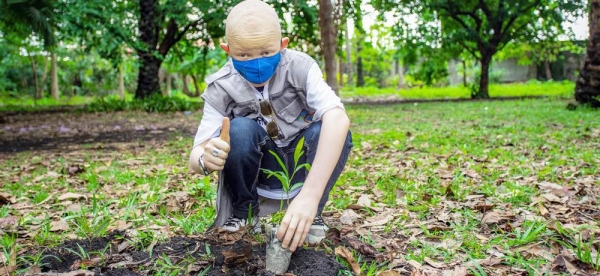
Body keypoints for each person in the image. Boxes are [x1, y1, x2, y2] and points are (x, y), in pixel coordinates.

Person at [188, 0, 352, 252]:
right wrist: (204, 159)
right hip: (259, 168)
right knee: (239, 128)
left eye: (265, 53)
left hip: (301, 164)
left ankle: (312, 214)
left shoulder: (301, 67)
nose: (256, 62)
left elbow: (338, 118)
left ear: (282, 45)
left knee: (328, 129)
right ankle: (244, 212)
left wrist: (309, 197)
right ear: (227, 50)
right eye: (243, 55)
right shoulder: (220, 87)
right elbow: (196, 154)